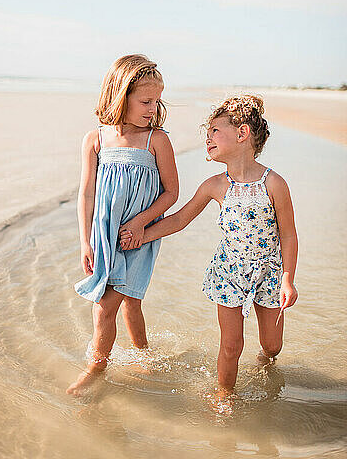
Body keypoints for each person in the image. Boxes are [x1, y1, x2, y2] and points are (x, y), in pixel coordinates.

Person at [120, 95, 298, 409]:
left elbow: (288, 234)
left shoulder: (275, 184)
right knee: (231, 346)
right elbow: (178, 219)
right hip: (228, 273)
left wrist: (288, 280)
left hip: (269, 272)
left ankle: (266, 360)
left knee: (272, 345)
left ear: (242, 134)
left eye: (215, 131)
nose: (207, 138)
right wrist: (140, 235)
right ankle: (224, 398)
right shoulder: (214, 185)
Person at [66, 54, 179, 396]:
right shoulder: (96, 139)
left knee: (105, 308)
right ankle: (145, 354)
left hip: (137, 238)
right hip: (103, 236)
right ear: (120, 94)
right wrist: (85, 242)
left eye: (156, 102)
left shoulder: (155, 140)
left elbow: (171, 192)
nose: (152, 109)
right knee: (129, 301)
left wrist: (142, 223)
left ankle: (95, 368)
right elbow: (86, 195)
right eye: (145, 101)